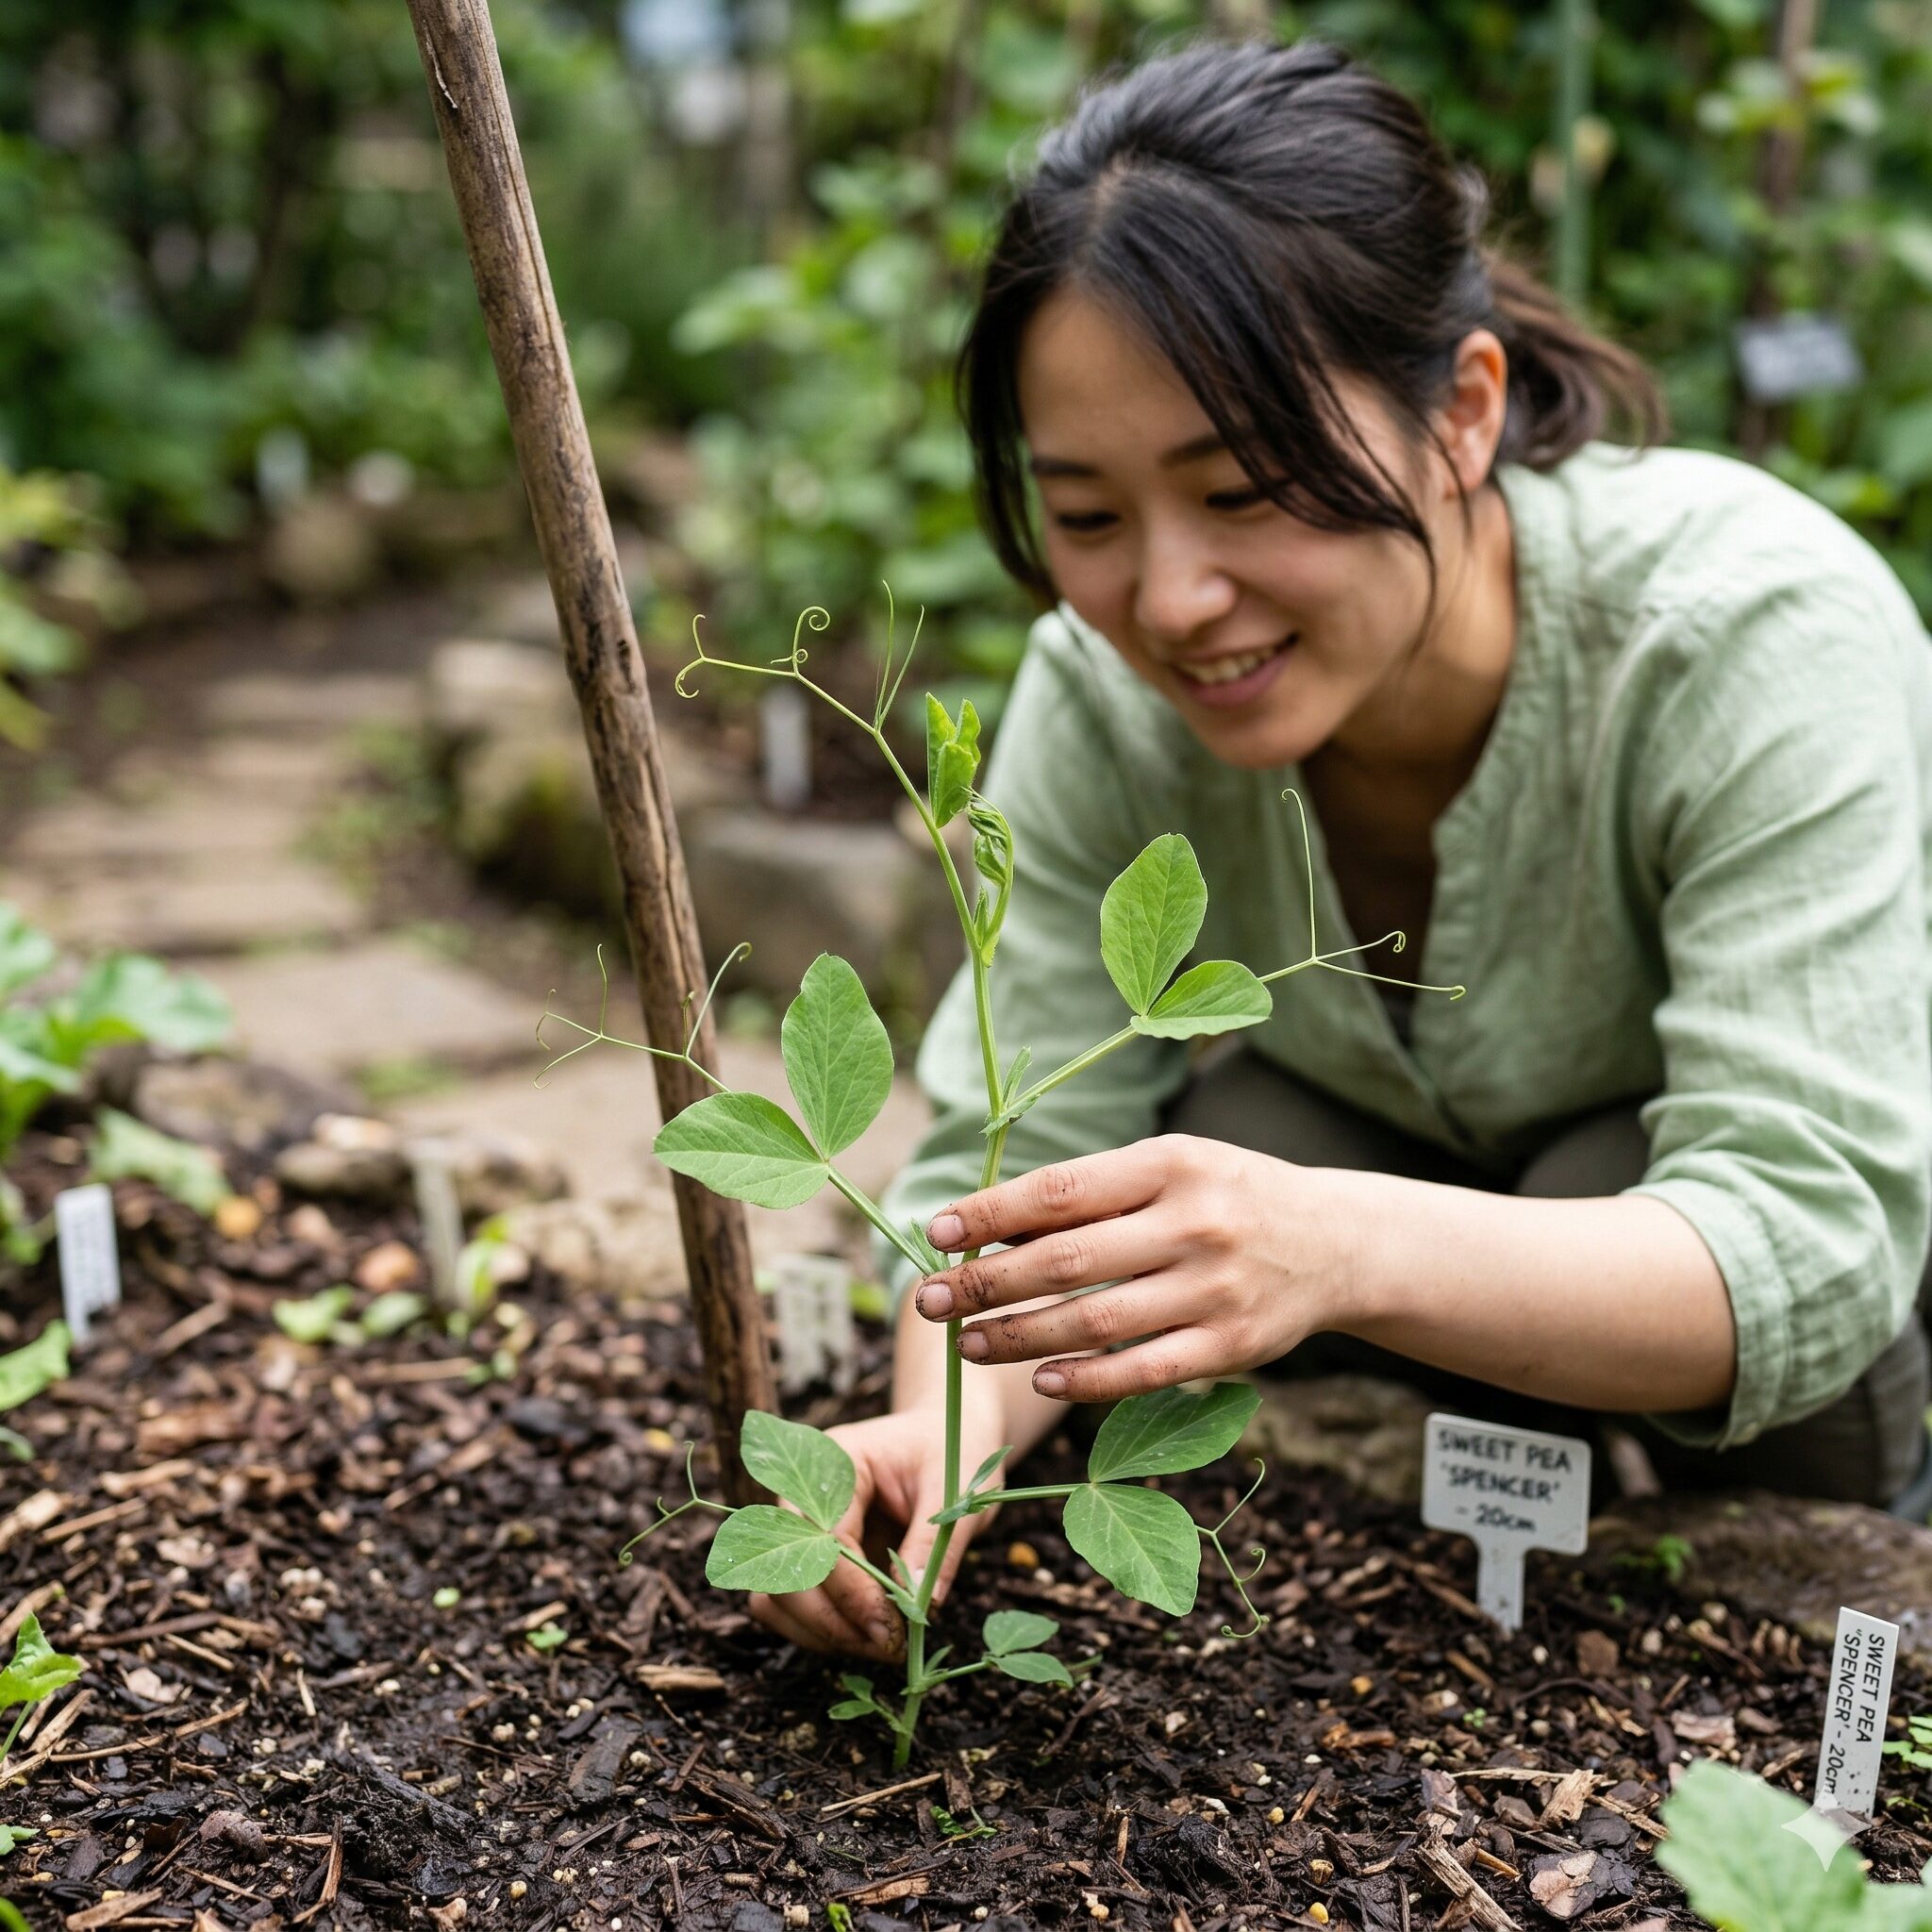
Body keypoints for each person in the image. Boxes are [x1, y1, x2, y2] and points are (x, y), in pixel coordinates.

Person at [742, 35, 1932, 1665]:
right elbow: (1027, 1150)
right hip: (1387, 1338)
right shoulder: (1101, 694)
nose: (1166, 601)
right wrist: (939, 1449)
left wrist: (1335, 1243)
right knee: (1226, 1128)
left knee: (1583, 1187)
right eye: (1086, 517)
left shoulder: (1748, 632)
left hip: (1729, 1360)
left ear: (1462, 412)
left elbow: (1805, 1236)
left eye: (1242, 490)